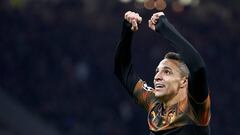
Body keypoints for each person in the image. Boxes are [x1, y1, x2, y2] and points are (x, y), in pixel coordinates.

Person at [114, 11, 211, 135]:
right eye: (157, 72)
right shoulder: (154, 103)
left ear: (184, 81)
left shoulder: (194, 107)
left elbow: (198, 67)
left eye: (167, 72)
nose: (157, 77)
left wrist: (165, 28)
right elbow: (123, 70)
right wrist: (127, 30)